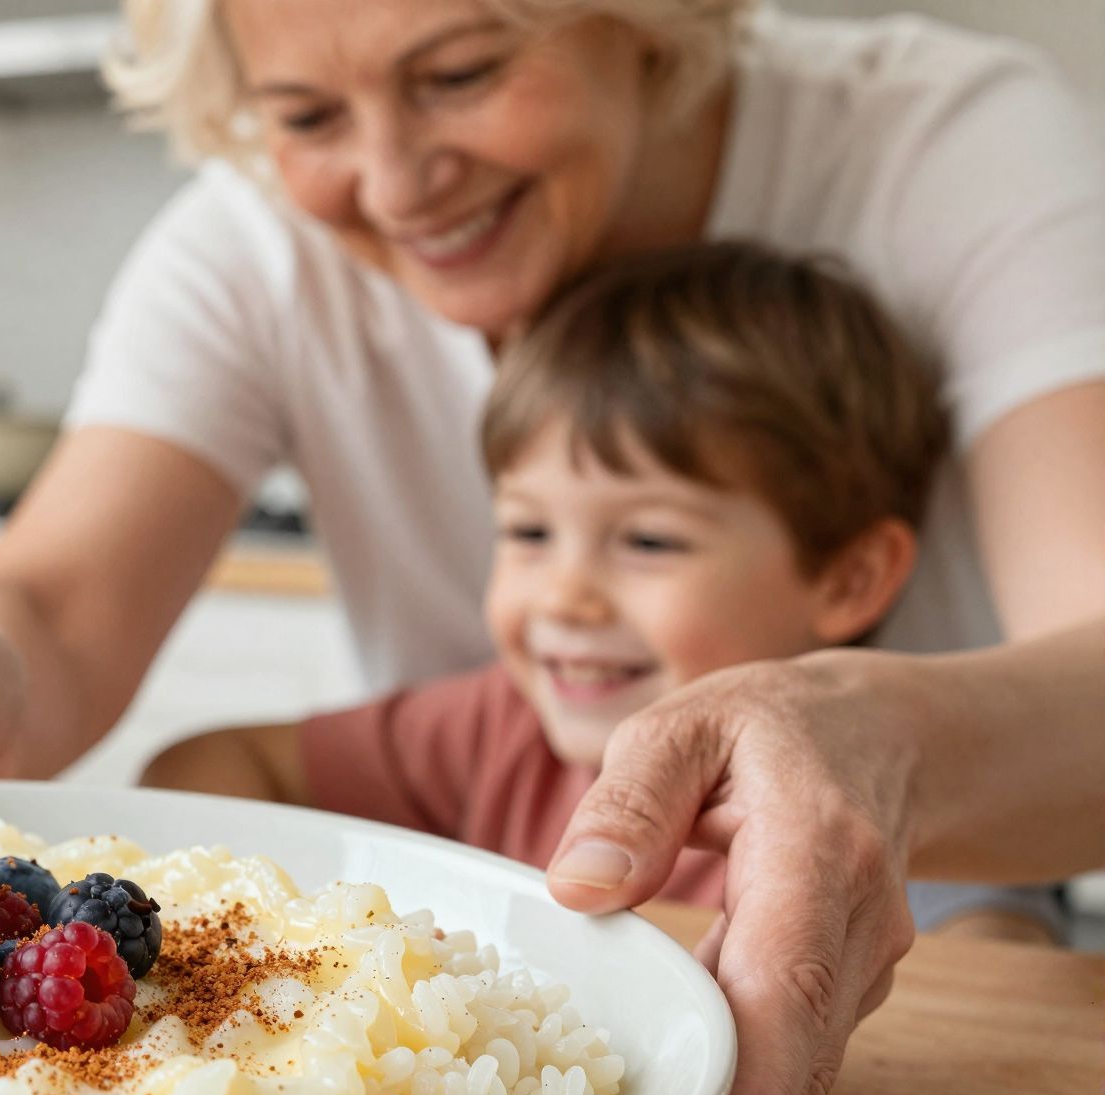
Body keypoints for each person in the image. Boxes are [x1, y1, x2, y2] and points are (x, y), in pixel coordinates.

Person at [0, 0, 1105, 1095]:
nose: (396, 184)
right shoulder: (247, 245)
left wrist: (878, 733)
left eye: (459, 71)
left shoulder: (942, 144)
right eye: (305, 114)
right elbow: (52, 602)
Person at [142, 241, 1066, 947]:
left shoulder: (878, 800)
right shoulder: (497, 731)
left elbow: (995, 978)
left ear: (848, 577)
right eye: (529, 533)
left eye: (649, 541)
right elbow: (205, 766)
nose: (566, 597)